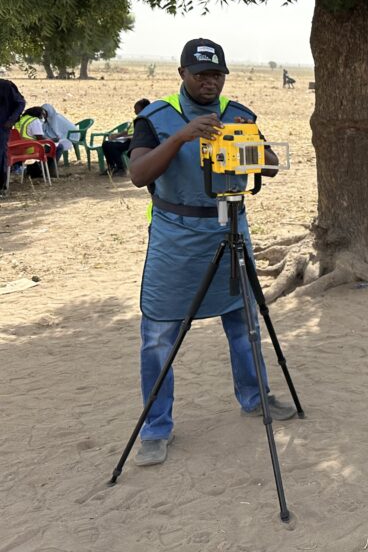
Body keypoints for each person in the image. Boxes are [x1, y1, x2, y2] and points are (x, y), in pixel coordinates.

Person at [127, 38, 295, 467]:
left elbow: (272, 165)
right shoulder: (157, 117)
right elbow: (138, 173)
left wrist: (248, 142)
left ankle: (256, 399)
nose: (209, 82)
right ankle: (155, 427)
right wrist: (182, 136)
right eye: (201, 74)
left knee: (244, 323)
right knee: (160, 336)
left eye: (216, 74)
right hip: (175, 238)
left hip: (230, 229)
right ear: (183, 74)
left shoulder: (238, 114)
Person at [102, 99, 151, 176]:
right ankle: (111, 166)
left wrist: (131, 137)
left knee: (113, 147)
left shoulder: (146, 120)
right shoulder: (137, 119)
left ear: (143, 109)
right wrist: (117, 135)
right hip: (128, 139)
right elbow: (128, 131)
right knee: (106, 144)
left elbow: (142, 134)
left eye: (136, 109)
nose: (134, 111)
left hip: (135, 142)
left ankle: (121, 168)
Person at [14, 106, 64, 176]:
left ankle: (42, 168)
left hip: (18, 148)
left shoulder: (22, 119)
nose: (43, 118)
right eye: (42, 115)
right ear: (38, 114)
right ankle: (50, 172)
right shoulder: (34, 121)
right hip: (31, 148)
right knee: (59, 147)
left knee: (50, 146)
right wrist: (52, 140)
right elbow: (40, 139)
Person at [1, 78, 26, 197]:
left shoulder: (5, 86)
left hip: (2, 128)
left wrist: (11, 120)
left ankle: (2, 187)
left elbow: (20, 103)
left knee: (0, 156)